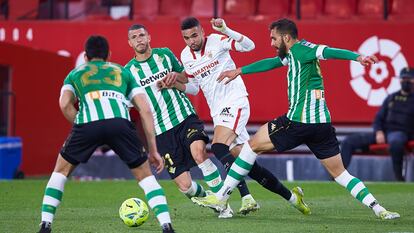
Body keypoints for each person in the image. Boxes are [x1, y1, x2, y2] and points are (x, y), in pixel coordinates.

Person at [192, 18, 400, 220]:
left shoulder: (304, 49)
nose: (271, 43)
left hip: (297, 122)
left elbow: (328, 51)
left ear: (287, 37)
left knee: (250, 146)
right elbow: (272, 63)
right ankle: (378, 208)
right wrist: (240, 70)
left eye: (274, 39)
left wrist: (358, 57)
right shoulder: (292, 54)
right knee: (341, 174)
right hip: (322, 126)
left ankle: (222, 197)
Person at [170, 17, 310, 216]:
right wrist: (174, 84)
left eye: (194, 35)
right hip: (218, 111)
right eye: (187, 38)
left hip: (234, 101)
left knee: (218, 146)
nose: (192, 40)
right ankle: (293, 199)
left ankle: (222, 197)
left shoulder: (218, 41)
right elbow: (193, 88)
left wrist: (226, 29)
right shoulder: (185, 56)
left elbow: (249, 46)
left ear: (202, 31)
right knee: (248, 163)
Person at [38, 35, 175, 233]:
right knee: (145, 177)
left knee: (60, 173)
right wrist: (153, 150)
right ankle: (166, 225)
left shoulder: (75, 73)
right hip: (120, 123)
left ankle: (45, 224)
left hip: (87, 125)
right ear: (108, 55)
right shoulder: (123, 71)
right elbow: (144, 109)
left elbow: (64, 103)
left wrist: (80, 124)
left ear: (85, 56)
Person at [124, 24, 236, 218]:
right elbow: (127, 104)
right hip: (161, 132)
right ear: (129, 42)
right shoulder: (128, 72)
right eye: (134, 37)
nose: (139, 39)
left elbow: (190, 81)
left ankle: (223, 203)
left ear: (149, 37)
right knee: (185, 186)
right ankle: (214, 201)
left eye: (142, 35)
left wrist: (175, 77)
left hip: (184, 118)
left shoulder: (165, 55)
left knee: (199, 153)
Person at [341, 67, 414, 181]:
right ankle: (338, 177)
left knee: (395, 141)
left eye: (409, 79)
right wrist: (379, 131)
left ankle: (399, 180)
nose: (406, 81)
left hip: (402, 133)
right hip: (383, 133)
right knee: (349, 141)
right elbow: (379, 118)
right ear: (399, 80)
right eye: (404, 78)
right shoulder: (391, 98)